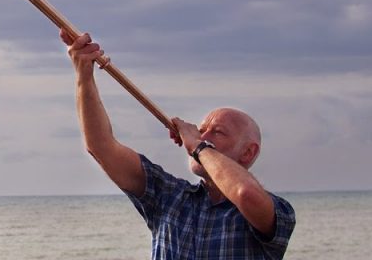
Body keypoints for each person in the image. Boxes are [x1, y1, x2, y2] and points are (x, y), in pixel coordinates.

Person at [62, 30, 296, 259]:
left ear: (248, 153)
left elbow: (245, 194)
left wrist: (197, 145)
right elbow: (101, 147)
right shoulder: (170, 196)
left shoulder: (279, 212)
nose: (204, 135)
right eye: (202, 130)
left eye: (218, 132)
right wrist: (84, 75)